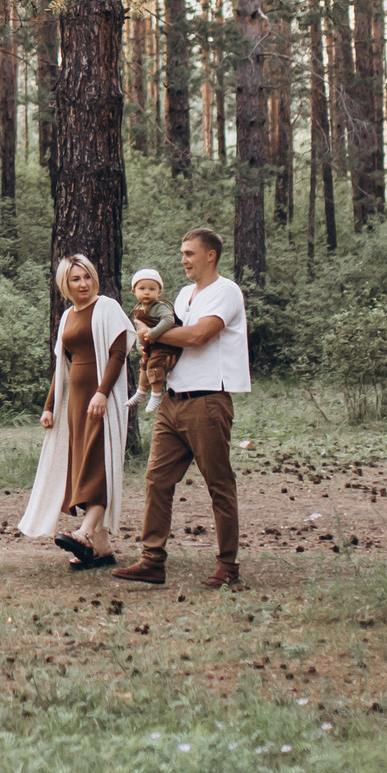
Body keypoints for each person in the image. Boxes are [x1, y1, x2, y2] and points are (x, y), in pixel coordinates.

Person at [113, 227, 249, 589]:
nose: (183, 259)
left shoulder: (227, 291)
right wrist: (151, 343)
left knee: (219, 483)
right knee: (157, 480)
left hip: (208, 400)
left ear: (210, 256)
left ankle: (227, 565)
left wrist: (147, 333)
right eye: (182, 253)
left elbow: (198, 336)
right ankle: (152, 561)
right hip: (172, 399)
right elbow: (172, 340)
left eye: (189, 253)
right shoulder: (185, 295)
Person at [16, 253, 133, 568]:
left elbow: (118, 354)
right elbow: (61, 365)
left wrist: (102, 393)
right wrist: (50, 406)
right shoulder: (68, 316)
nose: (83, 284)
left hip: (101, 400)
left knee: (99, 464)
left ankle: (83, 532)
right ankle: (103, 550)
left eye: (87, 277)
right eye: (75, 279)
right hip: (75, 403)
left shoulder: (106, 307)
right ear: (65, 285)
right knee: (81, 466)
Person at [128, 268, 174, 413]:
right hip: (150, 345)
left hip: (163, 344)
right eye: (142, 288)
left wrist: (154, 333)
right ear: (134, 291)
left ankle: (156, 393)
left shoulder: (159, 307)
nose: (147, 292)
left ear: (159, 292)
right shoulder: (139, 308)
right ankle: (141, 392)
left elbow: (169, 320)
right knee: (144, 364)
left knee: (154, 363)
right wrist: (140, 346)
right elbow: (138, 330)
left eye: (152, 289)